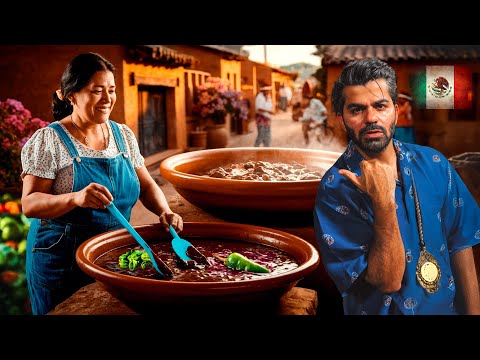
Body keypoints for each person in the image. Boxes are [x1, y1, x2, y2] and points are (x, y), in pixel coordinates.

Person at [20, 52, 184, 315]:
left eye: (112, 90)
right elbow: (30, 204)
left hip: (112, 252)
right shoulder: (49, 140)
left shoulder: (123, 135)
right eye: (97, 91)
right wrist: (75, 198)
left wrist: (165, 211)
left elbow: (146, 185)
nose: (108, 99)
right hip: (61, 259)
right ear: (72, 95)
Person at [313, 58, 480, 315]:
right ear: (340, 118)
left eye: (380, 106)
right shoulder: (335, 189)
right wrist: (383, 201)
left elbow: (461, 245)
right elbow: (388, 280)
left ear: (396, 111)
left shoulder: (434, 163)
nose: (371, 118)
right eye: (356, 109)